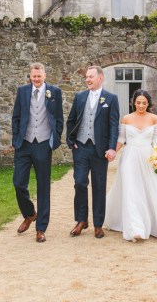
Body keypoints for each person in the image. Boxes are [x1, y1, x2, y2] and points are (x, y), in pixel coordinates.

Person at [104, 90, 157, 241]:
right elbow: (121, 139)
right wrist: (112, 152)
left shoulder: (154, 118)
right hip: (129, 157)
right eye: (138, 103)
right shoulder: (126, 118)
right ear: (133, 103)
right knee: (131, 190)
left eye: (144, 103)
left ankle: (152, 224)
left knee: (149, 190)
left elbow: (156, 141)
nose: (141, 105)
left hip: (148, 158)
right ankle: (135, 229)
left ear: (148, 103)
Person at [11, 63, 63, 243]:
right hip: (24, 144)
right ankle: (29, 213)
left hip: (43, 144)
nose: (36, 79)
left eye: (39, 76)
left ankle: (41, 228)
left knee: (43, 187)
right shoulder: (22, 91)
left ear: (44, 75)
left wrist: (53, 141)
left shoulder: (54, 92)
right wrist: (16, 140)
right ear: (30, 76)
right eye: (33, 76)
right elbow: (16, 116)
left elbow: (58, 119)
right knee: (18, 183)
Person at [66, 66, 119, 239]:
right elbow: (71, 120)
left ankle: (98, 224)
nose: (88, 80)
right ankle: (81, 220)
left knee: (99, 186)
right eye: (86, 77)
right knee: (80, 183)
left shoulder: (111, 99)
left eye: (91, 77)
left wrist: (112, 147)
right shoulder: (80, 97)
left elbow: (113, 125)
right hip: (81, 147)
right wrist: (71, 141)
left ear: (100, 78)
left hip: (100, 149)